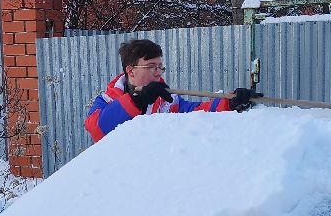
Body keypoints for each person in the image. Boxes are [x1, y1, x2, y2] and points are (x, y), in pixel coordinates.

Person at [84, 38, 256, 142]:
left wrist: (229, 102)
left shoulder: (167, 99)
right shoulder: (107, 100)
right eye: (151, 66)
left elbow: (196, 112)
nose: (158, 72)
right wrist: (137, 101)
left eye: (160, 67)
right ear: (130, 70)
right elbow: (97, 130)